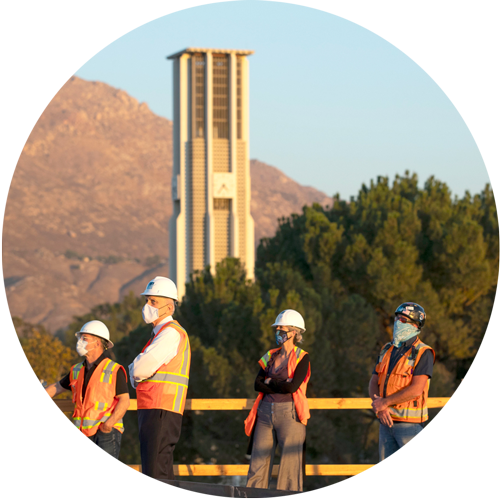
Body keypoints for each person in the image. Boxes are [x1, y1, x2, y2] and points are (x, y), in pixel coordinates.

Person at [11, 320, 130, 498]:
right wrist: (28, 398)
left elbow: (124, 401)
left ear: (98, 342)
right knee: (79, 481)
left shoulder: (113, 369)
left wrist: (109, 424)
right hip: (82, 435)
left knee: (107, 480)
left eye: (84, 338)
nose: (80, 342)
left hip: (106, 433)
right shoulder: (77, 370)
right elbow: (55, 389)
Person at [369, 302, 435, 498]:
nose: (398, 322)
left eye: (403, 320)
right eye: (397, 318)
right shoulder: (387, 349)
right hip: (385, 420)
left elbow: (416, 389)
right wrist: (380, 407)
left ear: (415, 325)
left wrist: (384, 403)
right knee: (388, 473)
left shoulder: (424, 352)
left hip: (410, 425)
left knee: (417, 474)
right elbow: (374, 382)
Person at [128, 276, 191, 480]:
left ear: (170, 308)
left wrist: (135, 369)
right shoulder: (160, 334)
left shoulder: (170, 334)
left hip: (161, 409)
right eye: (147, 301)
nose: (148, 306)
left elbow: (138, 370)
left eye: (153, 302)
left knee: (156, 474)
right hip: (156, 408)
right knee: (157, 471)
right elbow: (139, 370)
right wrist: (136, 369)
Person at [244, 309, 311, 492]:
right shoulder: (270, 355)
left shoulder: (302, 357)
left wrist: (269, 381)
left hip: (290, 415)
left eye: (282, 328)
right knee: (258, 464)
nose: (278, 331)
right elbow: (257, 384)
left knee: (290, 467)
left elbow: (292, 387)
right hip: (265, 412)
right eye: (277, 328)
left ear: (294, 332)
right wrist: (279, 382)